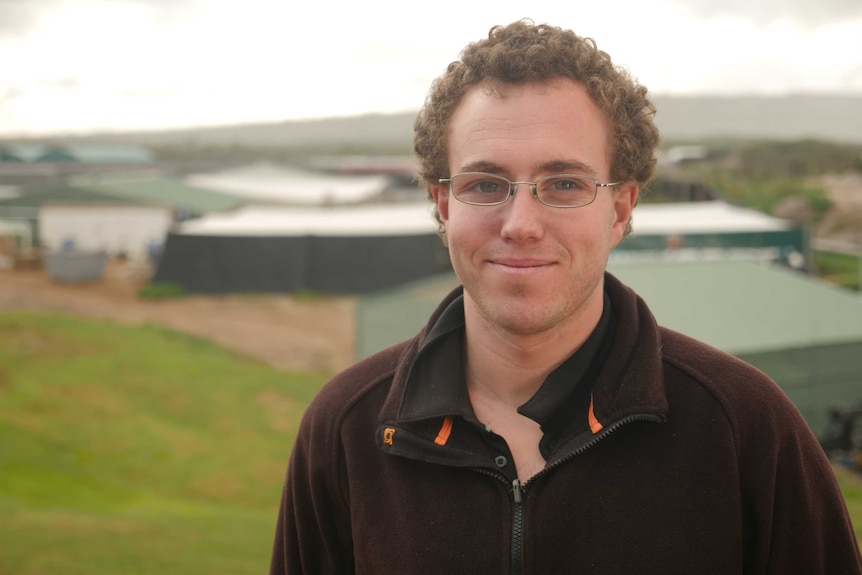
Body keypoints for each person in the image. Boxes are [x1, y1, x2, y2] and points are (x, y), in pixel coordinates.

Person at [270, 20, 862, 574]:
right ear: (445, 207)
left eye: (564, 184)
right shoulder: (347, 428)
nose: (521, 223)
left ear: (620, 209)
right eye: (484, 184)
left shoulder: (744, 426)